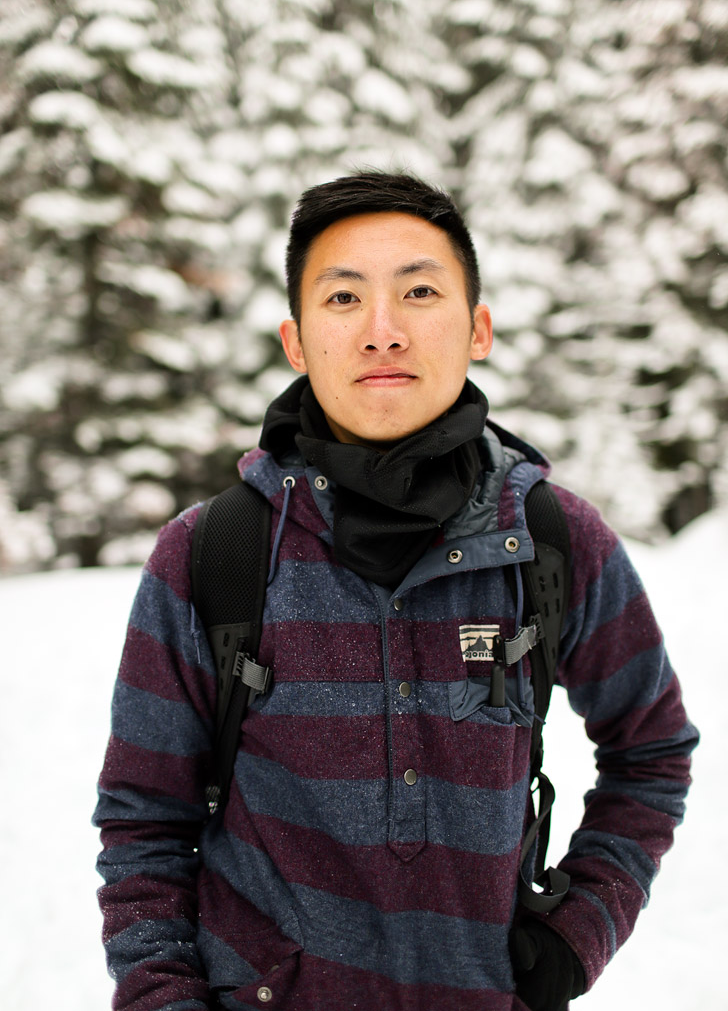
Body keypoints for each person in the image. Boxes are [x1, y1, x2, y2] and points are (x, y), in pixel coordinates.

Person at [94, 171, 698, 1011]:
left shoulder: (555, 542)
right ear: (297, 341)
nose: (383, 331)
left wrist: (577, 930)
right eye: (343, 299)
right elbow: (141, 823)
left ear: (478, 327)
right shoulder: (212, 555)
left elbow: (652, 751)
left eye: (419, 291)